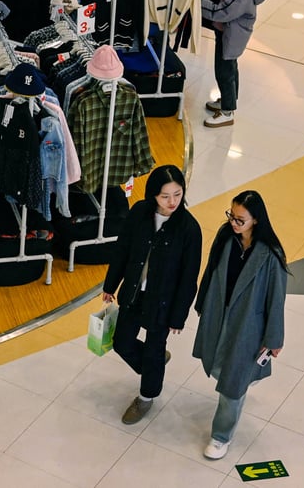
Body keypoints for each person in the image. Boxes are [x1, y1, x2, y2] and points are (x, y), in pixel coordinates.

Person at [102, 165, 203, 425]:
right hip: (134, 293)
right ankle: (153, 366)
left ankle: (146, 397)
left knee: (154, 350)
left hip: (163, 302)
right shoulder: (139, 213)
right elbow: (122, 250)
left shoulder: (189, 229)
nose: (172, 202)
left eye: (177, 194)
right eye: (165, 196)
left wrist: (178, 317)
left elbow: (188, 278)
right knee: (122, 342)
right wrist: (110, 285)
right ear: (153, 195)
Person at [193, 190, 287, 460]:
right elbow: (211, 270)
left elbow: (276, 300)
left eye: (240, 220)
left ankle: (221, 436)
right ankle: (241, 386)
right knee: (219, 366)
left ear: (256, 220)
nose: (233, 223)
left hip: (249, 325)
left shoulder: (270, 255)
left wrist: (274, 339)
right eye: (231, 216)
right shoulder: (226, 237)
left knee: (232, 383)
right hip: (219, 315)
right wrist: (202, 303)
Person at [201, 0, 271, 128]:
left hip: (231, 36)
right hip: (228, 32)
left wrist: (198, 2)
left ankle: (227, 111)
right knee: (230, 68)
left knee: (225, 72)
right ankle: (228, 100)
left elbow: (222, 12)